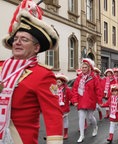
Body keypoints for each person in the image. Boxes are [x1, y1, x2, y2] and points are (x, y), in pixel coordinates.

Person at [0, 0, 63, 143]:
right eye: (15, 39)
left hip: (19, 139)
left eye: (24, 39)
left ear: (36, 48)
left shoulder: (43, 75)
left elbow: (53, 114)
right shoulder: (2, 67)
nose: (17, 42)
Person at [72, 58, 102, 143]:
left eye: (85, 67)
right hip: (81, 101)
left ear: (89, 68)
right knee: (81, 117)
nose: (83, 69)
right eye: (82, 67)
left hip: (90, 100)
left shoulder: (94, 78)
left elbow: (98, 90)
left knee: (90, 117)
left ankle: (95, 127)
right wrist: (75, 100)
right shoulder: (79, 78)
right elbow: (75, 89)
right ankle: (81, 135)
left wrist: (99, 101)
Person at [55, 73, 74, 140]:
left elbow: (71, 96)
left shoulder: (67, 89)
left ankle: (65, 133)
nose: (57, 83)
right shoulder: (54, 89)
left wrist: (74, 102)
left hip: (64, 108)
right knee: (56, 121)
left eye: (59, 82)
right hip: (56, 108)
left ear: (62, 82)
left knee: (65, 120)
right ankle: (56, 134)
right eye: (56, 82)